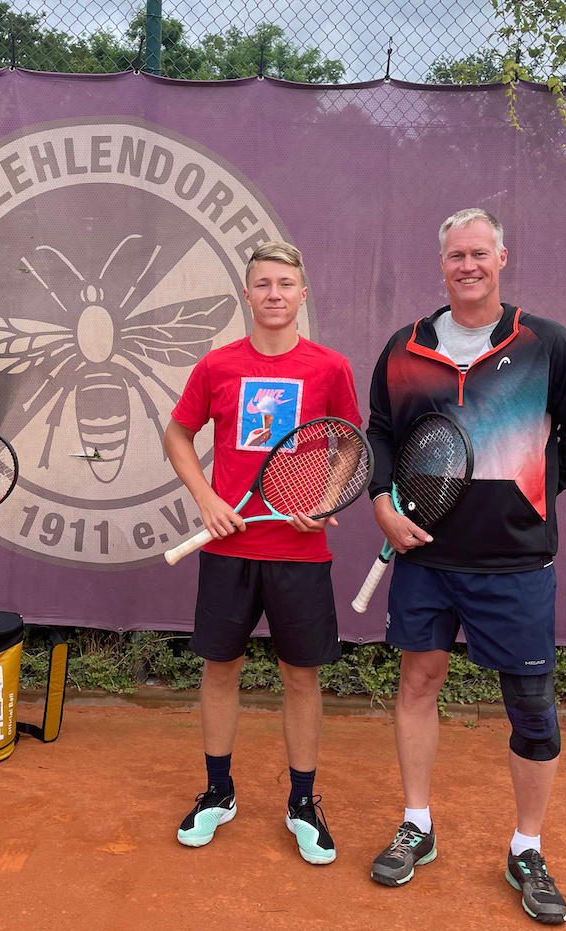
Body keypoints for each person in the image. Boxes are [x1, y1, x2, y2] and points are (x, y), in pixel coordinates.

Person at [365, 208, 566, 922]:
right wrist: (382, 502)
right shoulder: (404, 346)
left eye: (478, 253)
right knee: (418, 681)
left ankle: (525, 847)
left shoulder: (546, 343)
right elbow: (381, 434)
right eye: (453, 256)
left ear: (502, 256)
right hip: (425, 558)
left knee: (530, 709)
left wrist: (527, 490)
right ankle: (417, 823)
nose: (466, 265)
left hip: (515, 562)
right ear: (440, 264)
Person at [163, 241, 362, 865]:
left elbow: (350, 445)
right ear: (246, 296)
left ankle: (302, 802)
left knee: (301, 676)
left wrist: (327, 502)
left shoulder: (330, 368)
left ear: (303, 295)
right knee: (220, 669)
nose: (274, 294)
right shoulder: (217, 366)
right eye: (262, 285)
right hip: (228, 549)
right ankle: (218, 793)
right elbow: (177, 433)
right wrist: (206, 500)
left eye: (286, 284)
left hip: (301, 554)